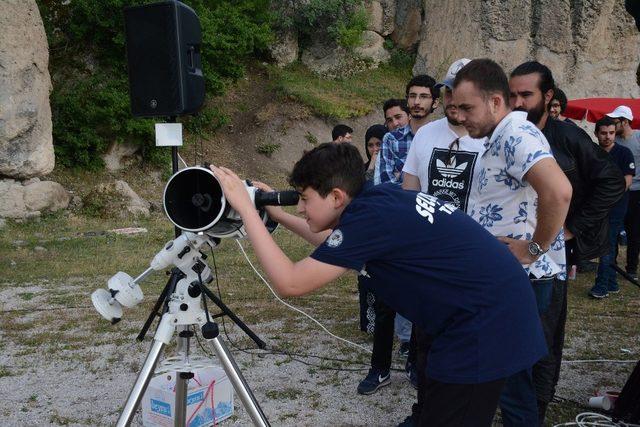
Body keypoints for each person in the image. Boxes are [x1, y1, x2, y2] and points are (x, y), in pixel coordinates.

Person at [210, 142, 548, 426]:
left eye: (305, 199)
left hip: (485, 323)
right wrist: (276, 214)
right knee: (432, 408)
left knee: (454, 414)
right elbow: (335, 243)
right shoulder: (377, 200)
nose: (300, 207)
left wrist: (247, 210)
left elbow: (290, 283)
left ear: (337, 196)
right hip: (468, 313)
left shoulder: (370, 219)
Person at [453, 58, 572, 427]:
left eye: (467, 108)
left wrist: (532, 249)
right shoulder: (499, 137)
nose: (460, 116)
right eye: (456, 108)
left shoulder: (515, 136)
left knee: (511, 385)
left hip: (520, 278)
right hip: (506, 278)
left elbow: (559, 192)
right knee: (508, 381)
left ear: (495, 102)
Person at [509, 61, 625, 423]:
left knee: (543, 341)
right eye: (511, 94)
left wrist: (571, 226)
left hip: (552, 259)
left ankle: (536, 410)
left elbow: (611, 181)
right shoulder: (506, 134)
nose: (517, 102)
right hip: (511, 255)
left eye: (525, 95)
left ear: (548, 97)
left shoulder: (568, 137)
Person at [399, 58, 486, 426]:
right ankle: (424, 411)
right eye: (448, 90)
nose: (452, 98)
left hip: (475, 259)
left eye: (461, 91)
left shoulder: (491, 138)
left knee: (470, 346)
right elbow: (409, 191)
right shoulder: (425, 135)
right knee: (426, 343)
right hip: (431, 260)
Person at [363, 74, 440, 396]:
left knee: (425, 304)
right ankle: (379, 368)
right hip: (397, 231)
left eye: (424, 96)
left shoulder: (443, 137)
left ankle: (415, 364)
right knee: (385, 302)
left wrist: (410, 184)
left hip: (433, 234)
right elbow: (386, 187)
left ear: (434, 102)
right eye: (413, 96)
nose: (417, 101)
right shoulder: (393, 140)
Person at [590, 116, 636, 298]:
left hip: (616, 207)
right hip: (594, 208)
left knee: (606, 244)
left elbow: (627, 181)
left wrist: (607, 198)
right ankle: (612, 282)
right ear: (596, 134)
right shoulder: (591, 152)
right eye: (603, 133)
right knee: (607, 244)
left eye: (611, 133)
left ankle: (601, 285)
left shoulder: (624, 153)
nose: (608, 137)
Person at [358, 124, 388, 335]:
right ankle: (369, 323)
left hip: (387, 229)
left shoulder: (393, 168)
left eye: (379, 144)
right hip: (368, 229)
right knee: (367, 278)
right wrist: (371, 167)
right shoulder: (362, 169)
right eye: (371, 145)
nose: (375, 149)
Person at [607, 105, 640, 281]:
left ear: (624, 122)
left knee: (634, 231)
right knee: (614, 229)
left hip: (636, 192)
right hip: (617, 192)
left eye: (615, 122)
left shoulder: (639, 137)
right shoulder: (614, 141)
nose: (612, 126)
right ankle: (612, 266)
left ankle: (632, 268)